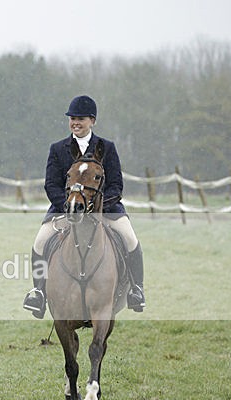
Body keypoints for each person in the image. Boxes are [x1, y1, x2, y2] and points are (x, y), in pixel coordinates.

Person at [23, 95, 146, 318]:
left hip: (105, 210)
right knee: (39, 242)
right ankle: (38, 292)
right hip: (65, 210)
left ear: (93, 121)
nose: (75, 122)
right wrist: (69, 205)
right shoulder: (58, 148)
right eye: (72, 118)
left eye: (80, 118)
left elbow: (116, 184)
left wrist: (95, 207)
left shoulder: (107, 147)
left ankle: (136, 289)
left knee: (130, 239)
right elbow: (51, 184)